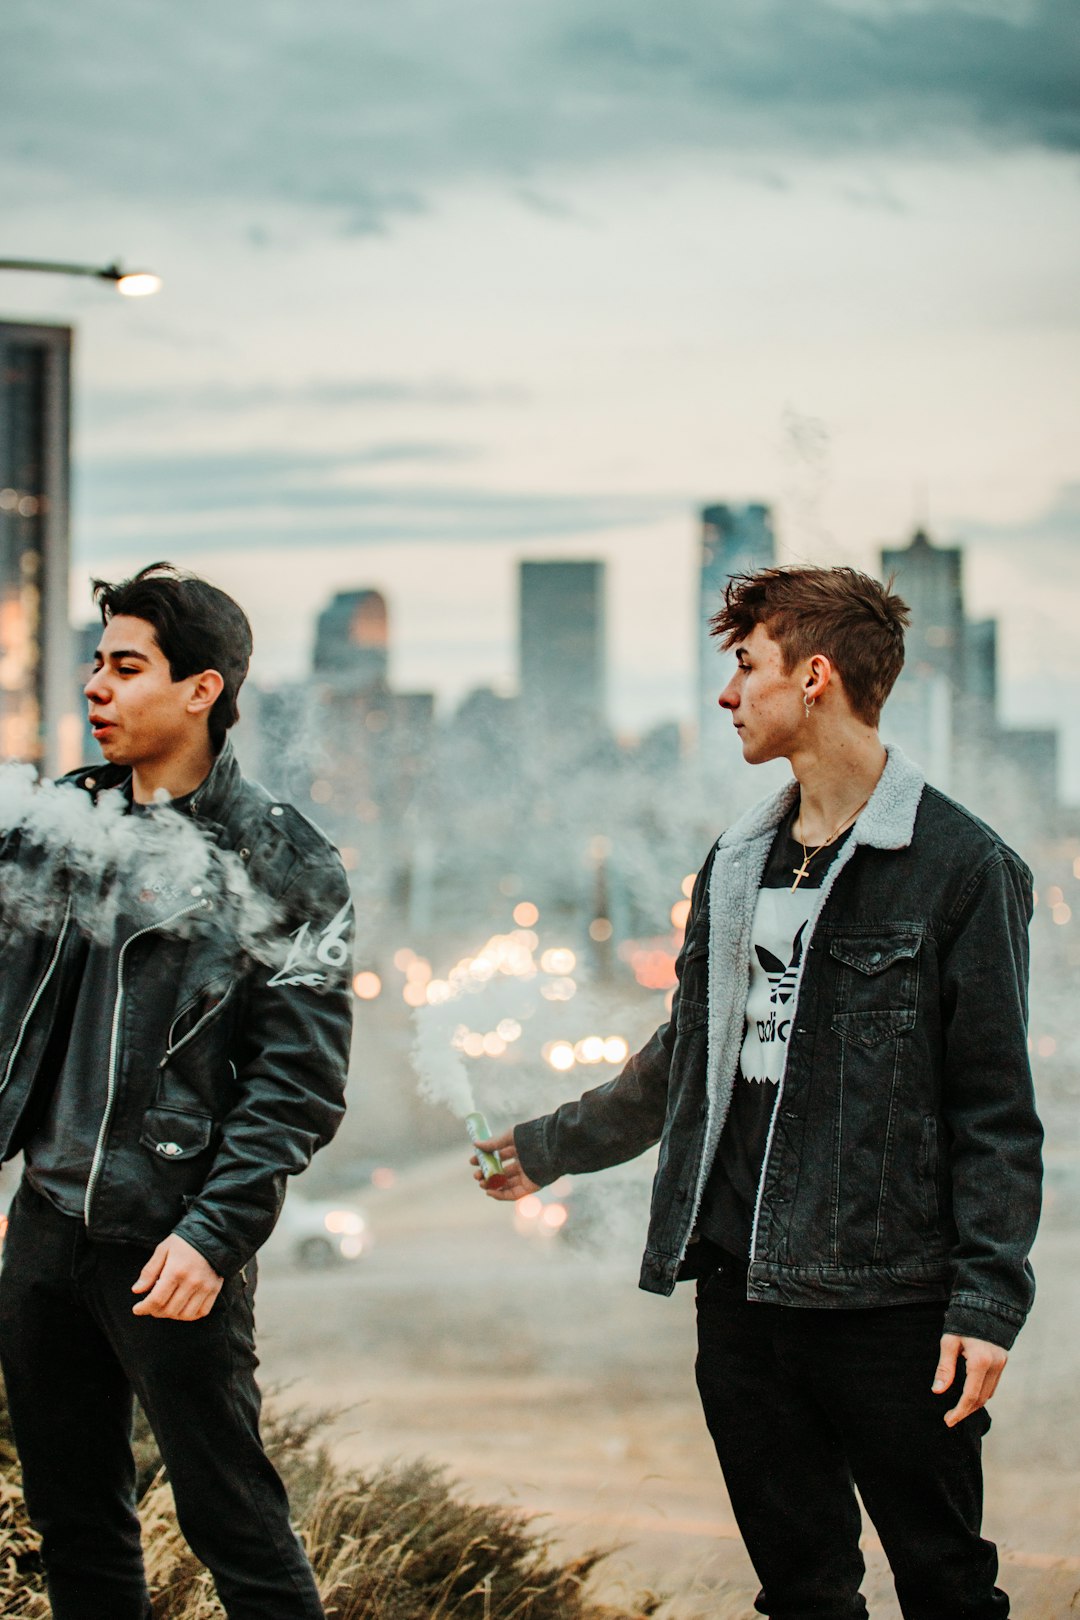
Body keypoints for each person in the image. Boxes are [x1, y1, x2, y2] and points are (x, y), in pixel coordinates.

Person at [475, 565, 1042, 1620]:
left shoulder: (964, 868)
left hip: (891, 1306)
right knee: (800, 1594)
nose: (727, 694)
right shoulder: (738, 859)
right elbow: (685, 1057)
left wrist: (987, 1301)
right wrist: (546, 1146)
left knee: (948, 1587)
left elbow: (995, 1111)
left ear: (815, 676)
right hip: (740, 1301)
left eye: (746, 666)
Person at [0, 563, 354, 1620]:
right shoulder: (54, 823)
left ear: (202, 688)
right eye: (92, 664)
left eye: (125, 666)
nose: (95, 687)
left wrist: (214, 1236)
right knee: (76, 1528)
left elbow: (298, 1084)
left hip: (170, 1243)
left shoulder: (284, 859)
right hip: (42, 1228)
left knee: (236, 1525)